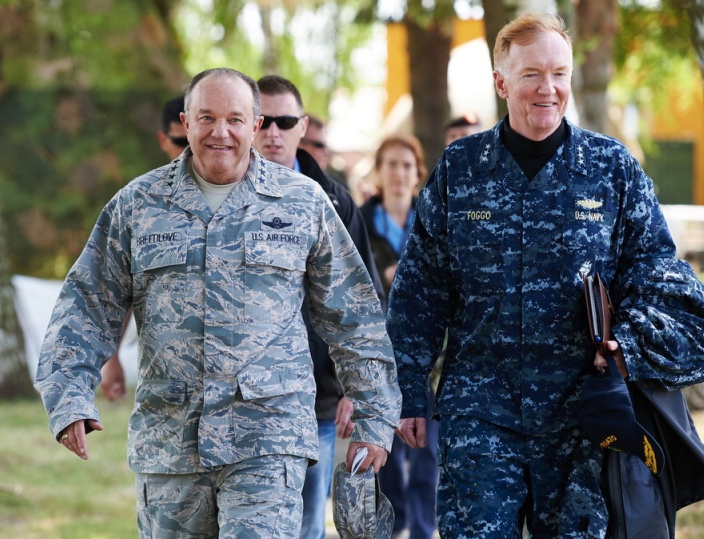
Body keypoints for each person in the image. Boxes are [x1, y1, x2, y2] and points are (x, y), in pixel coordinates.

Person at [386, 14, 704, 538]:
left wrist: (627, 345)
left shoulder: (611, 168)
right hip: (481, 413)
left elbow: (656, 276)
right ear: (501, 82)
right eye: (531, 75)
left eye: (560, 74)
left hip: (582, 420)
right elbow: (420, 292)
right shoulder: (460, 169)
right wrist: (409, 389)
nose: (548, 89)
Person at [35, 67, 401, 538]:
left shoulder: (303, 204)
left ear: (255, 125)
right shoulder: (137, 205)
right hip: (170, 446)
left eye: (234, 118)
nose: (220, 132)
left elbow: (354, 315)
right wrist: (68, 396)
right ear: (185, 123)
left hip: (268, 442)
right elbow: (86, 302)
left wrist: (374, 413)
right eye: (206, 117)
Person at [253, 74, 386, 539]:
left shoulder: (335, 201)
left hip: (318, 404)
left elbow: (364, 303)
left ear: (302, 126)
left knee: (307, 527)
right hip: (242, 407)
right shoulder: (219, 197)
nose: (273, 131)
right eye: (262, 120)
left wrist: (357, 388)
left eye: (284, 121)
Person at [360, 134, 439, 539]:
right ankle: (393, 528)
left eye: (406, 165)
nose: (398, 173)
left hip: (427, 362)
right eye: (390, 164)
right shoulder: (358, 223)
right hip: (376, 360)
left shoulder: (431, 220)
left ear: (417, 173)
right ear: (378, 172)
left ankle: (424, 530)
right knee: (384, 458)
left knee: (428, 454)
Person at [100, 96, 190, 402]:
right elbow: (120, 288)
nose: (191, 148)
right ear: (163, 140)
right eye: (181, 140)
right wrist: (111, 360)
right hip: (168, 395)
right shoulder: (141, 204)